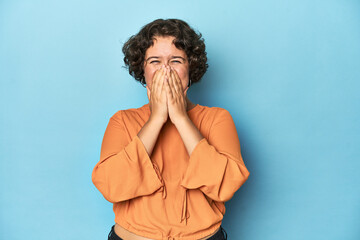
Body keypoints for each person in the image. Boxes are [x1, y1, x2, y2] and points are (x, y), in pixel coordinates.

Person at [91, 18, 250, 240]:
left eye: (176, 60)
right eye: (155, 61)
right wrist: (157, 118)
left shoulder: (217, 119)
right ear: (143, 70)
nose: (165, 70)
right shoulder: (122, 121)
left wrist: (180, 117)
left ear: (190, 68)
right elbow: (112, 186)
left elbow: (225, 185)